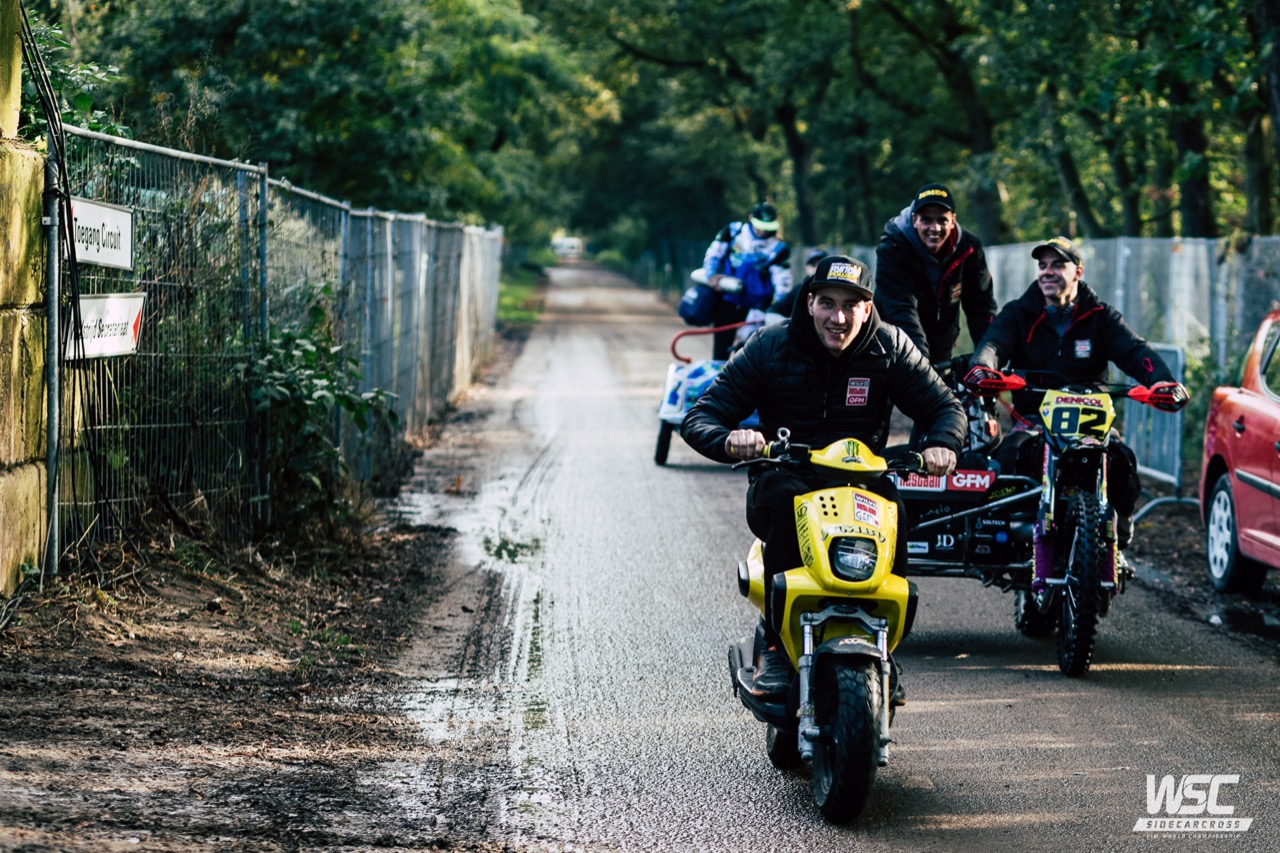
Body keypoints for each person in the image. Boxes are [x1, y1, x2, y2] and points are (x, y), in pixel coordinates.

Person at [682, 255, 965, 698]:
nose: (839, 317)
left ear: (867, 308)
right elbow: (700, 417)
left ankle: (884, 650)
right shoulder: (769, 345)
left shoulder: (890, 346)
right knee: (783, 501)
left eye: (851, 305)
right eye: (828, 303)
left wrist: (943, 443)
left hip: (863, 481)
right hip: (785, 475)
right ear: (810, 302)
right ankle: (775, 648)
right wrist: (732, 440)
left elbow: (945, 406)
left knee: (897, 510)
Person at [967, 236, 1189, 577]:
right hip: (1035, 418)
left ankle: (1118, 533)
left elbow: (1134, 351)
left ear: (1078, 272)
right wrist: (984, 367)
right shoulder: (1018, 313)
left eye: (1058, 265)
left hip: (1091, 422)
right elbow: (993, 345)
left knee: (1122, 460)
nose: (1047, 272)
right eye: (1043, 265)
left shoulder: (1101, 316)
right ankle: (1007, 535)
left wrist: (1161, 380)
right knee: (1009, 458)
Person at [874, 183, 997, 367]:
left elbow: (981, 307)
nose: (935, 228)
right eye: (926, 220)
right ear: (914, 220)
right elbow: (901, 312)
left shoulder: (969, 249)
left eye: (942, 220)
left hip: (942, 346)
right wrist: (921, 366)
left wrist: (986, 358)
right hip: (893, 344)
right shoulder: (893, 249)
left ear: (953, 220)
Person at [699, 202, 793, 360]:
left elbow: (782, 281)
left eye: (767, 227)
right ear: (750, 218)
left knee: (748, 353)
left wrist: (776, 307)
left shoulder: (778, 248)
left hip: (756, 308)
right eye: (760, 226)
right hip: (727, 299)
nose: (763, 231)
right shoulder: (733, 232)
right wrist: (711, 275)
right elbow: (714, 253)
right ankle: (719, 373)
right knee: (721, 348)